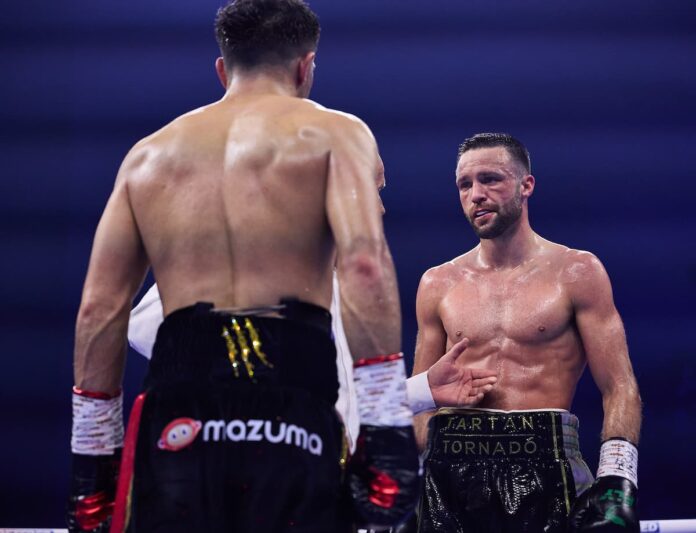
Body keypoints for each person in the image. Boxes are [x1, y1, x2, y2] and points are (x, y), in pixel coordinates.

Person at [68, 0, 417, 530]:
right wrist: (387, 427)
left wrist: (93, 461)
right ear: (306, 66)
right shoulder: (335, 133)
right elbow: (365, 267)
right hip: (290, 385)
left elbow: (99, 309)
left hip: (179, 394)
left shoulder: (147, 156)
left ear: (222, 67)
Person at [411, 133, 642, 532]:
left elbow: (620, 387)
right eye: (465, 184)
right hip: (449, 470)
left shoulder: (577, 272)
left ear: (526, 185)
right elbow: (420, 399)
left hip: (546, 460)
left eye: (490, 179)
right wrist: (417, 477)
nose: (476, 194)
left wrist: (618, 481)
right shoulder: (437, 283)